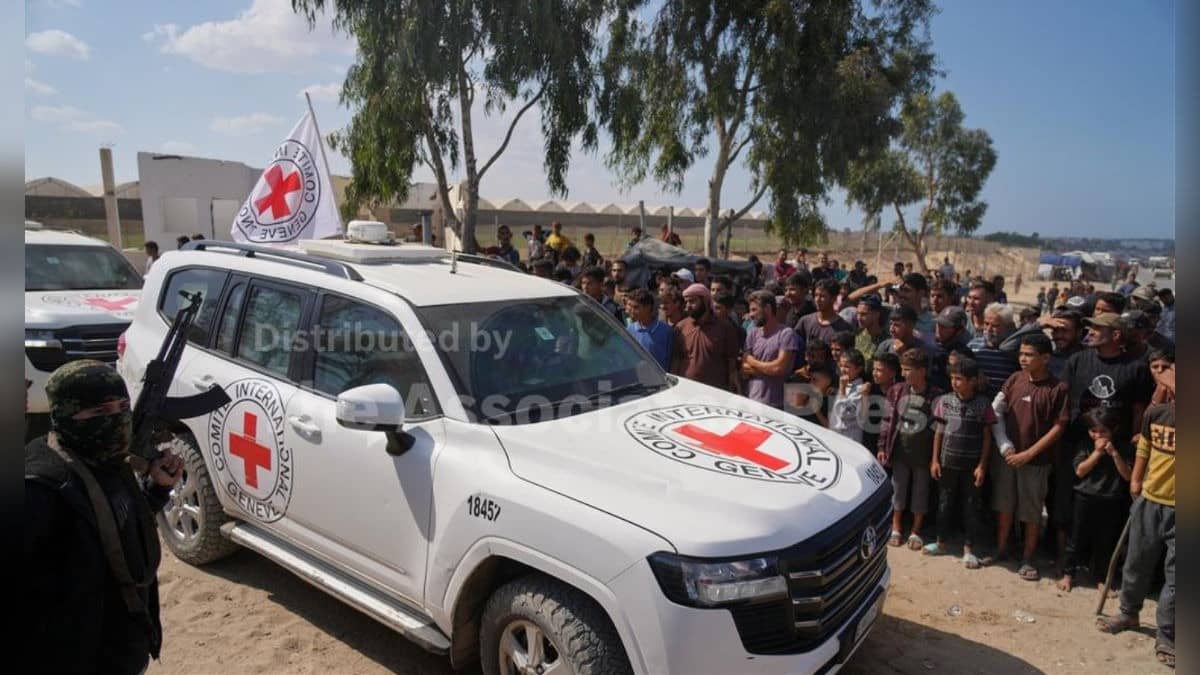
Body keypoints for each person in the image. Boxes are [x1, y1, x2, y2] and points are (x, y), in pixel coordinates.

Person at [25, 360, 183, 674]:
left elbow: (113, 525)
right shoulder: (39, 488)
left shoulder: (106, 461)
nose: (117, 419)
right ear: (65, 417)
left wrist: (156, 490)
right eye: (99, 411)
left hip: (120, 648)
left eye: (123, 407)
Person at [1096, 356, 1174, 669]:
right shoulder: (1157, 413)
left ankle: (1168, 635)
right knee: (1136, 561)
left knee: (1177, 576)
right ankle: (1128, 613)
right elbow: (1144, 447)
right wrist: (1137, 480)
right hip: (1150, 498)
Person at [989, 334, 1069, 580]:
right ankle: (1001, 550)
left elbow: (1058, 427)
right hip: (1008, 457)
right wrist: (1005, 446)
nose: (1023, 358)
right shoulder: (1015, 378)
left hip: (1036, 462)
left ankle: (1027, 558)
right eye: (1021, 354)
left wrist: (1028, 454)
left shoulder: (1058, 388)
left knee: (1031, 512)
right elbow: (996, 411)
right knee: (1004, 506)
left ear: (1045, 358)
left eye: (1029, 354)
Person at [926, 358, 994, 569]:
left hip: (972, 465)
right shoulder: (944, 401)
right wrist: (935, 460)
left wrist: (982, 466)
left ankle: (968, 549)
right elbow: (938, 432)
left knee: (971, 507)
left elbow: (987, 438)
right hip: (948, 462)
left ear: (972, 381)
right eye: (952, 378)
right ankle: (941, 543)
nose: (954, 382)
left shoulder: (984, 404)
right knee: (944, 503)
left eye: (959, 379)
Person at [1058, 407, 1133, 593]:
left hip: (1112, 498)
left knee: (1106, 541)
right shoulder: (1085, 445)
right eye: (1094, 431)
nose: (1098, 435)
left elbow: (1128, 476)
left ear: (1113, 430)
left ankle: (1101, 577)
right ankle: (1068, 573)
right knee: (1076, 537)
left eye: (1103, 431)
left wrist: (1114, 454)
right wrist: (1097, 453)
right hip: (1084, 496)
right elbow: (1080, 471)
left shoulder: (1124, 448)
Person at [878, 348, 941, 551]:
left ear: (922, 371)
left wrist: (935, 458)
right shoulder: (896, 390)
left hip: (923, 454)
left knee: (921, 491)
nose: (904, 374)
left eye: (908, 369)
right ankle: (896, 527)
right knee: (898, 488)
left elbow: (939, 428)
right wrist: (882, 445)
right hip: (899, 450)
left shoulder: (936, 395)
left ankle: (916, 530)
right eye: (903, 369)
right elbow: (886, 420)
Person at [671, 284, 741, 393]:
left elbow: (731, 360)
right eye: (686, 302)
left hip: (715, 392)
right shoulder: (681, 327)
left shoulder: (724, 327)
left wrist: (733, 382)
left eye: (692, 301)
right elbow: (676, 359)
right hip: (686, 391)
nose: (688, 306)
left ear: (705, 301)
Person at [741, 291, 799, 409]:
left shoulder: (786, 334)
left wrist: (753, 362)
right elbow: (745, 368)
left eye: (754, 310)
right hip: (752, 401)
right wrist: (769, 370)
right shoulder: (753, 334)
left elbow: (779, 369)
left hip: (776, 405)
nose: (751, 315)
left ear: (767, 308)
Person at [971, 303, 1020, 398]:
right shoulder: (973, 345)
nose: (989, 329)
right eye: (986, 324)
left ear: (1008, 327)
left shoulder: (1015, 351)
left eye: (995, 326)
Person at [796, 279, 853, 352]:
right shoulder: (805, 321)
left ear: (833, 298)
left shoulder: (843, 328)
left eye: (822, 296)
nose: (817, 300)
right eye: (816, 295)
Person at [625, 288, 672, 370]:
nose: (632, 311)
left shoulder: (666, 331)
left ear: (648, 307)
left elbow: (672, 359)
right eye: (630, 306)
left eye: (636, 307)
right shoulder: (630, 329)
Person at [830, 350, 868, 442]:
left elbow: (845, 413)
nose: (842, 369)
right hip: (835, 435)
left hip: (848, 438)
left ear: (858, 369)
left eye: (847, 367)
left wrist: (842, 389)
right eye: (841, 365)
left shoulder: (861, 389)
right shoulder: (844, 382)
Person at [854, 295, 888, 364]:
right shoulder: (857, 334)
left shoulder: (886, 341)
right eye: (858, 313)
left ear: (876, 314)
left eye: (864, 314)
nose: (859, 318)